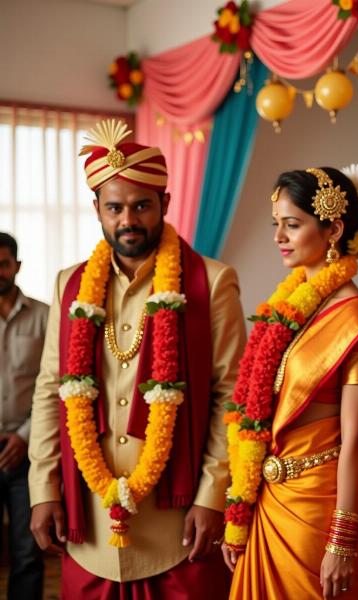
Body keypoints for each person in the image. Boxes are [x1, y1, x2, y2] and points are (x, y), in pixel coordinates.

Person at [27, 119, 246, 598]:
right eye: (115, 208)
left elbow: (231, 397)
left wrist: (212, 497)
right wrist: (43, 489)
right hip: (90, 518)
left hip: (176, 522)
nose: (128, 219)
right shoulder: (70, 284)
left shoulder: (212, 282)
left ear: (165, 205)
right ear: (98, 211)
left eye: (142, 205)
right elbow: (49, 390)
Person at [222, 165, 358, 599]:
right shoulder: (290, 310)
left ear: (333, 228)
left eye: (293, 225)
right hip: (268, 501)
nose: (279, 236)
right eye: (277, 225)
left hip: (318, 511)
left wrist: (343, 540)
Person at [0, 232, 46, 599]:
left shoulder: (45, 317)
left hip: (27, 453)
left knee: (26, 551)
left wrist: (25, 435)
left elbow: (57, 383)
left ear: (17, 266)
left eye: (2, 264)